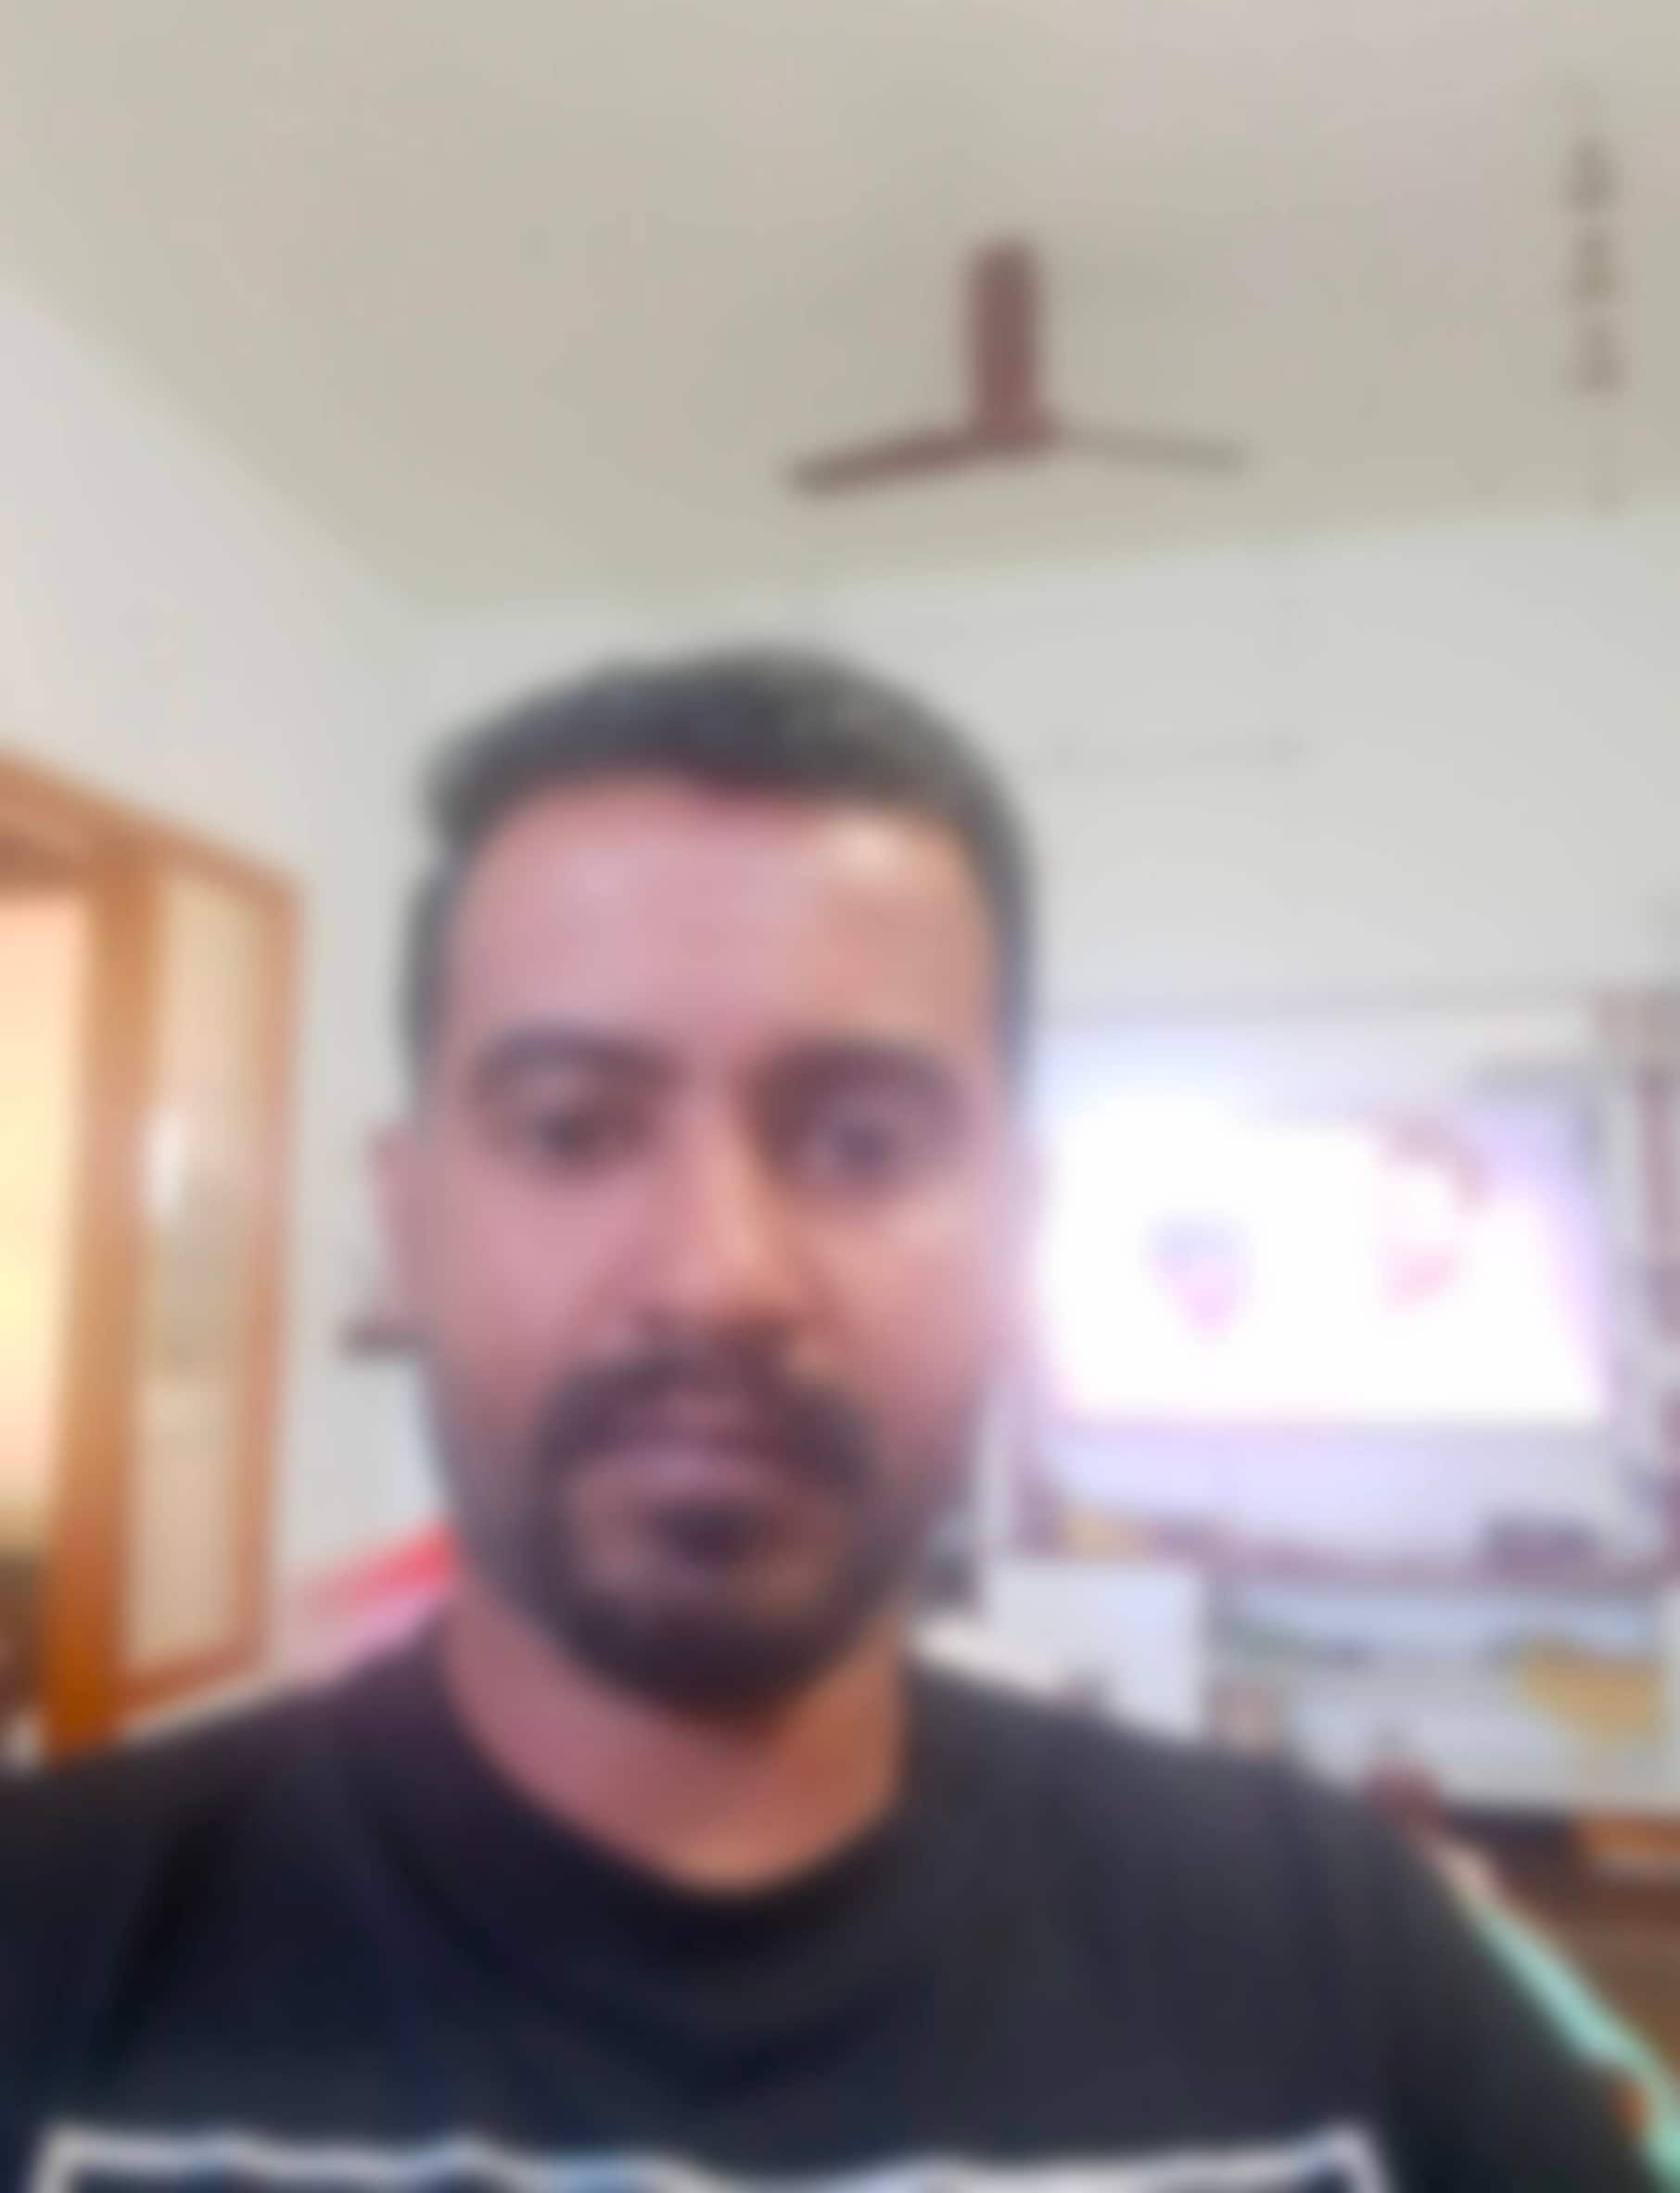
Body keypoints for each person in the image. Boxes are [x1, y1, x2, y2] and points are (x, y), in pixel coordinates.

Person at [0, 652, 1649, 2192]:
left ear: (1015, 1242)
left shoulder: (1335, 1953)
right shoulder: (47, 1939)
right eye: (571, 1130)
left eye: (861, 1143)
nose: (715, 1277)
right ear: (408, 1226)